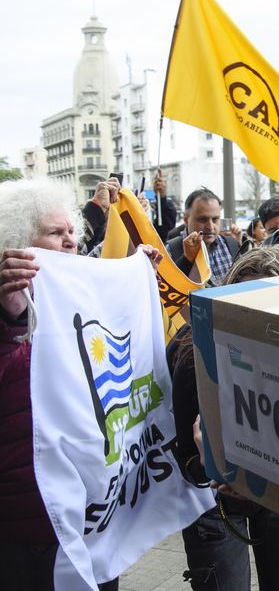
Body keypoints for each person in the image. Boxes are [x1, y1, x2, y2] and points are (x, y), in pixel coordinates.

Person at [0, 178, 161, 591]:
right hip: (30, 521)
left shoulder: (78, 295)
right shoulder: (6, 303)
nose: (71, 242)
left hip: (94, 516)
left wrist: (134, 277)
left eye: (72, 231)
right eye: (55, 233)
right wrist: (11, 319)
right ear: (18, 243)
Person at [171, 248, 279, 591]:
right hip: (215, 503)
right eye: (247, 304)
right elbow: (185, 458)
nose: (258, 317)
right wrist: (211, 467)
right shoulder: (194, 356)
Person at [166, 188, 240, 285]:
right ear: (186, 220)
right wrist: (187, 260)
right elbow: (167, 291)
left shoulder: (231, 245)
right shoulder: (170, 250)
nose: (210, 227)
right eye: (203, 219)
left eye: (215, 219)